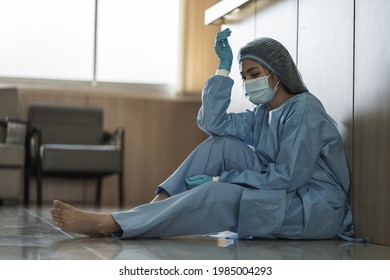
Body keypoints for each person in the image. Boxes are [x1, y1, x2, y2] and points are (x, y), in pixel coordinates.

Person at [50, 28, 354, 240]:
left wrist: (222, 180)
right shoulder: (265, 113)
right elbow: (213, 124)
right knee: (219, 146)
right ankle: (146, 213)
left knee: (216, 193)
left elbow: (288, 178)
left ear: (277, 72)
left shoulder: (304, 110)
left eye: (254, 75)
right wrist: (222, 70)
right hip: (283, 190)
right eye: (243, 76)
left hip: (311, 207)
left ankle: (111, 224)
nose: (248, 83)